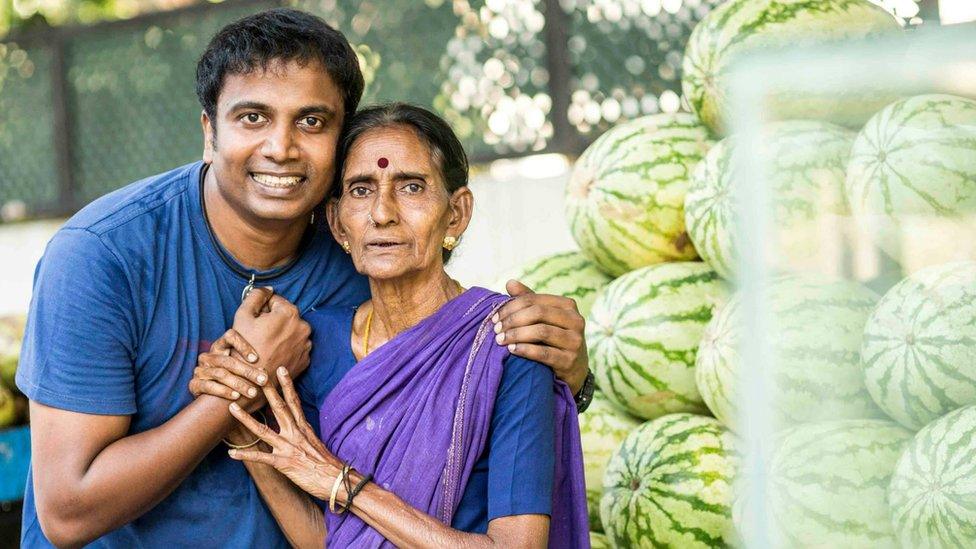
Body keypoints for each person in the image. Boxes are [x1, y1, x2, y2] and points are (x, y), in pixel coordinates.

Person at [15, 9, 592, 548]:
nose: (281, 147)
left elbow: (450, 372)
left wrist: (566, 374)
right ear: (209, 131)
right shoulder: (102, 257)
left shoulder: (359, 252)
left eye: (311, 121)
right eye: (252, 117)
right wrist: (244, 388)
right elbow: (67, 513)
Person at [191, 102, 589, 548]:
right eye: (361, 190)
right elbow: (333, 540)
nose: (383, 212)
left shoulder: (506, 344)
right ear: (338, 223)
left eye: (411, 187)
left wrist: (344, 484)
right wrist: (248, 438)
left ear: (455, 214)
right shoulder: (314, 344)